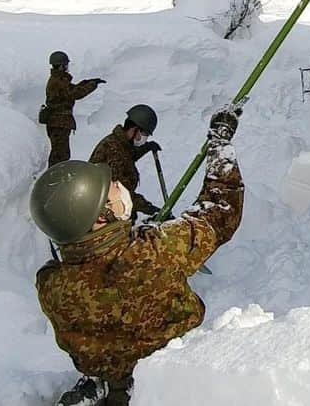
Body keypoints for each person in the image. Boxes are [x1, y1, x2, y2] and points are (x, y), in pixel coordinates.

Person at [32, 108, 243, 406]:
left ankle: (104, 385)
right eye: (111, 190)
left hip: (112, 372)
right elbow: (220, 213)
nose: (119, 186)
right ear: (101, 217)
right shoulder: (153, 253)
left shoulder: (50, 285)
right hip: (168, 379)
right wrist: (219, 142)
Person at [88, 104, 163, 218]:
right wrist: (150, 209)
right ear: (134, 130)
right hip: (102, 213)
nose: (145, 138)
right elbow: (122, 194)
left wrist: (147, 147)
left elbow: (130, 155)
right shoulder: (114, 151)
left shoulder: (120, 143)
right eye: (145, 134)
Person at [43, 51, 105, 167]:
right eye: (66, 64)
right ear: (62, 65)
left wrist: (90, 82)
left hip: (59, 123)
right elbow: (76, 93)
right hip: (58, 124)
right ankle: (54, 180)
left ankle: (56, 178)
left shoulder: (59, 80)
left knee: (61, 154)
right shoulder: (58, 81)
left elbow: (74, 88)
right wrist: (92, 85)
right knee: (60, 156)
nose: (67, 67)